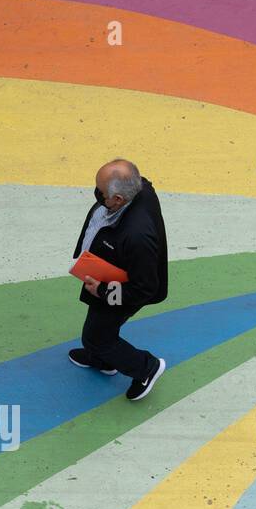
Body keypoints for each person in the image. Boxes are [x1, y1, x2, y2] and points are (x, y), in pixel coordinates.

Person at [69, 159, 168, 401]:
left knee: (98, 336)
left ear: (118, 200)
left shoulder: (137, 236)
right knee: (96, 327)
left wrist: (103, 292)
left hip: (122, 290)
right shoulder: (139, 187)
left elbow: (144, 289)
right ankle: (101, 360)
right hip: (109, 273)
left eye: (100, 193)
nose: (96, 195)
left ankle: (146, 368)